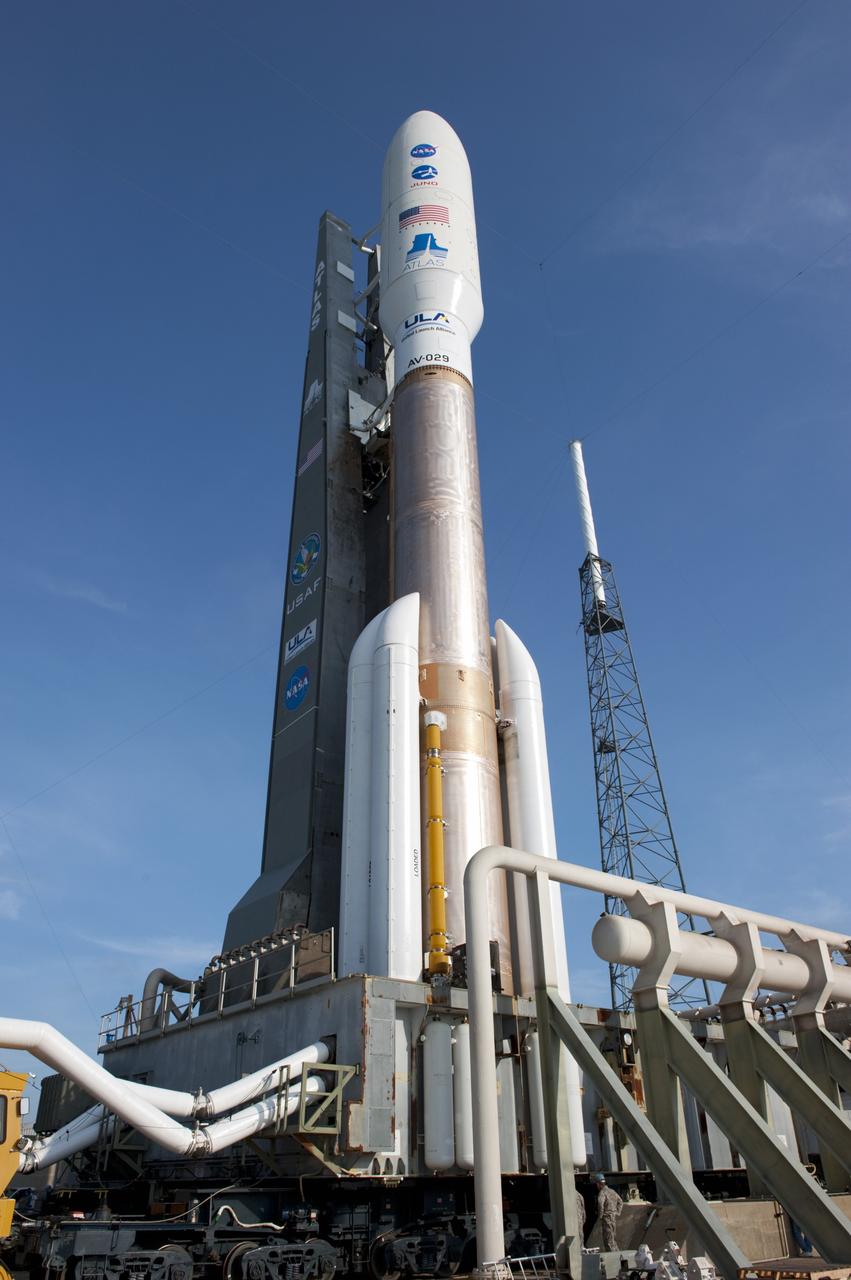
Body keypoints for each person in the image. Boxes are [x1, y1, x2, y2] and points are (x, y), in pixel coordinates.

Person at [590, 1173, 623, 1250]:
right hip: (613, 1218)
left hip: (607, 1219)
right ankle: (618, 1255)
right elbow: (620, 1202)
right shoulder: (612, 1191)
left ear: (598, 1184)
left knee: (608, 1241)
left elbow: (600, 1205)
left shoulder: (602, 1193)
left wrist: (600, 1217)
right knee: (613, 1240)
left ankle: (613, 1258)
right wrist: (617, 1212)